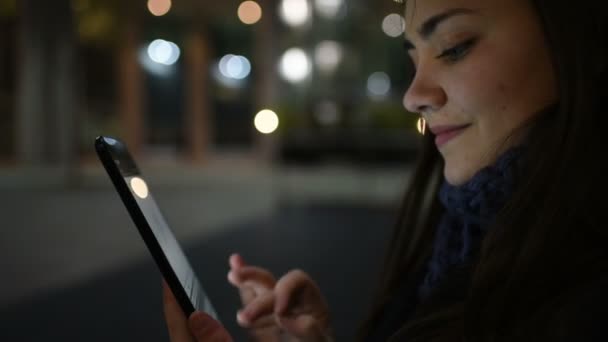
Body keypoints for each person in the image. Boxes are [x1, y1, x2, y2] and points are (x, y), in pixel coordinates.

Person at [163, 0, 608, 340]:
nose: (413, 95)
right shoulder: (464, 235)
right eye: (414, 59)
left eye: (454, 47)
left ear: (574, 37)